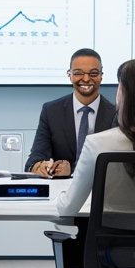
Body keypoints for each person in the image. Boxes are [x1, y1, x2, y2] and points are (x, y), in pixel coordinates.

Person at [55, 57, 135, 222]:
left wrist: (59, 195)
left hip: (109, 242)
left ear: (124, 94)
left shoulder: (97, 143)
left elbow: (68, 208)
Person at [26, 48, 118, 178]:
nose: (86, 79)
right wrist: (41, 166)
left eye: (93, 73)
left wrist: (72, 170)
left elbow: (117, 165)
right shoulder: (51, 111)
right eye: (78, 73)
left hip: (100, 188)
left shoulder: (116, 114)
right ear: (69, 75)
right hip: (60, 189)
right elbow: (35, 158)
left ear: (101, 76)